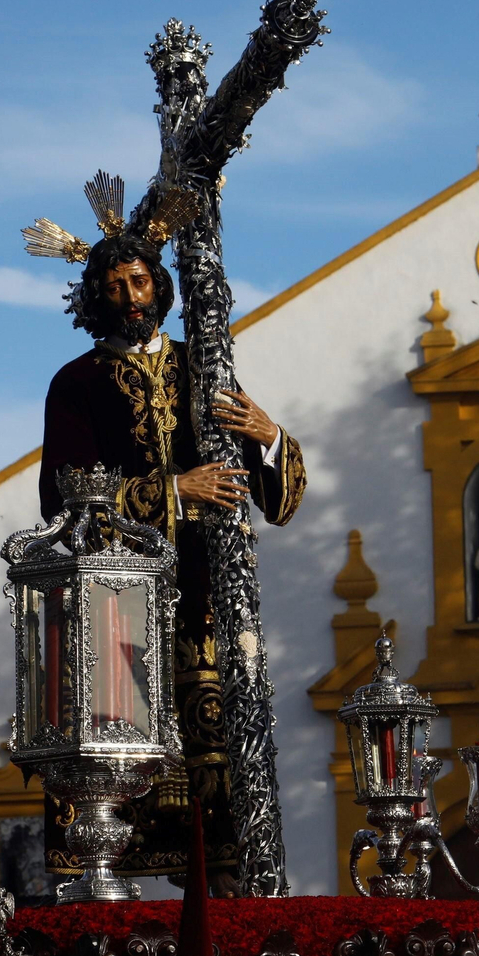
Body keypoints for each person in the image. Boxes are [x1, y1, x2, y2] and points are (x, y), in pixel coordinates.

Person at [36, 212, 306, 895]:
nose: (132, 297)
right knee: (114, 776)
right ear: (97, 298)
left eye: (140, 281)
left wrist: (271, 436)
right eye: (116, 286)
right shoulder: (76, 384)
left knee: (221, 796)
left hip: (208, 609)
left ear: (160, 286)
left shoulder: (204, 366)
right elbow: (62, 501)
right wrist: (174, 493)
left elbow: (277, 502)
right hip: (118, 613)